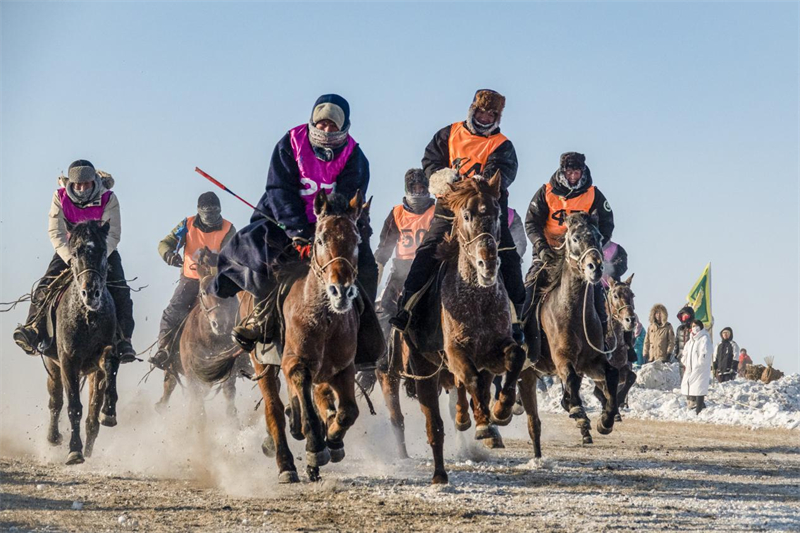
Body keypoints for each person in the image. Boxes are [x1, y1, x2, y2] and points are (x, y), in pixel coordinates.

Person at [211, 94, 382, 370]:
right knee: (259, 252)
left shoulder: (355, 155)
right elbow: (280, 189)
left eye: (332, 126)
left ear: (343, 127)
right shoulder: (290, 143)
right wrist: (298, 232)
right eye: (322, 124)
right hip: (285, 220)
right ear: (313, 122)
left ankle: (362, 332)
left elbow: (348, 196)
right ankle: (261, 318)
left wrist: (322, 232)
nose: (326, 130)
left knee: (366, 266)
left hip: (332, 224)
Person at [390, 89, 526, 347]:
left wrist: (477, 183)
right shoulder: (448, 134)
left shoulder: (503, 145)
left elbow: (499, 173)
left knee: (508, 256)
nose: (485, 117)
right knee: (427, 251)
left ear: (497, 117)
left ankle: (518, 320)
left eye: (491, 114)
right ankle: (407, 308)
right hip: (449, 209)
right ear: (472, 111)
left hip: (487, 213)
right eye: (482, 112)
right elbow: (430, 162)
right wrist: (441, 177)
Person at [13, 160, 137, 360]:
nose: (81, 188)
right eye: (77, 185)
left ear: (94, 182)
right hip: (71, 251)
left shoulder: (108, 198)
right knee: (46, 283)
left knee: (120, 288)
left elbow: (113, 233)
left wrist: (98, 257)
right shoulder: (59, 197)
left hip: (101, 251)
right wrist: (72, 258)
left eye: (86, 184)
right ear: (70, 183)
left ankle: (124, 339)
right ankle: (33, 328)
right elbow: (56, 232)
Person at [524, 152, 615, 358]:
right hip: (549, 251)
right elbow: (531, 223)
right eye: (569, 171)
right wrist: (541, 246)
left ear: (582, 171)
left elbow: (607, 222)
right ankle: (525, 338)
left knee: (598, 290)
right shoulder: (546, 192)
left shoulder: (593, 195)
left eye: (577, 172)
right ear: (562, 171)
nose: (573, 176)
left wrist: (596, 243)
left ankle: (603, 340)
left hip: (579, 256)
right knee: (530, 286)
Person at [148, 192, 236, 370]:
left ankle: (244, 354)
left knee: (238, 310)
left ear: (220, 210)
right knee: (172, 311)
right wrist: (169, 255)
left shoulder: (228, 229)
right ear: (199, 212)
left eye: (215, 212)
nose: (211, 217)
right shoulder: (186, 225)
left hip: (218, 282)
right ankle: (164, 350)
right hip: (190, 279)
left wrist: (216, 260)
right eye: (207, 213)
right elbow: (165, 243)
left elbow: (233, 257)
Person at [373, 169, 435, 339]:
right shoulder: (397, 213)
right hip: (402, 268)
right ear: (407, 189)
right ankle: (383, 354)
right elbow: (386, 243)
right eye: (414, 188)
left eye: (422, 188)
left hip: (429, 266)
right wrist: (378, 264)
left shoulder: (436, 212)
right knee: (385, 305)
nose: (418, 192)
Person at [680, 319, 712, 414]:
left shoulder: (704, 338)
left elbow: (706, 352)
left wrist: (700, 363)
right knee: (689, 385)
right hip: (690, 367)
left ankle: (699, 409)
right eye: (693, 326)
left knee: (699, 387)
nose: (694, 328)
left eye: (696, 326)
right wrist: (684, 361)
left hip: (700, 368)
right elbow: (685, 353)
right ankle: (693, 406)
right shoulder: (691, 341)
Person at [674, 305, 695, 369]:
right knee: (683, 377)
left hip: (692, 357)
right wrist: (676, 353)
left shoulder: (694, 328)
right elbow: (677, 342)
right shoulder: (680, 329)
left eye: (686, 315)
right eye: (682, 316)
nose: (684, 318)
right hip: (681, 357)